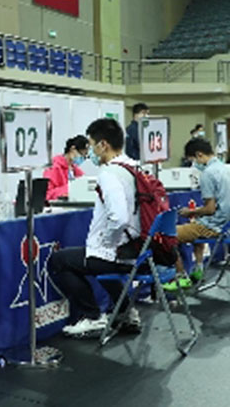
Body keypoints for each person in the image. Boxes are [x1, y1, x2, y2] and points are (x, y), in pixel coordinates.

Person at [48, 118, 143, 337]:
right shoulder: (134, 167)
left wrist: (106, 244)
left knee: (60, 261)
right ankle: (126, 313)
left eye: (91, 145)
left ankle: (91, 316)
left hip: (118, 252)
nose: (90, 152)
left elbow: (118, 218)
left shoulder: (109, 174)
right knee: (100, 264)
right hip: (136, 249)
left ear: (103, 145)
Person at [163, 138, 230, 291]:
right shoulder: (227, 169)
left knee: (166, 235)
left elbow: (209, 209)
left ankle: (181, 276)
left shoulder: (208, 174)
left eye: (193, 160)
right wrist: (198, 212)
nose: (194, 164)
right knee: (195, 224)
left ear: (199, 155)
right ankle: (198, 268)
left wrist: (191, 211)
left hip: (215, 226)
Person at [44, 135, 88, 201]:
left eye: (84, 157)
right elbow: (47, 194)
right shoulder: (53, 168)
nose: (82, 158)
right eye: (81, 154)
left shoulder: (76, 171)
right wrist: (69, 189)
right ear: (72, 149)